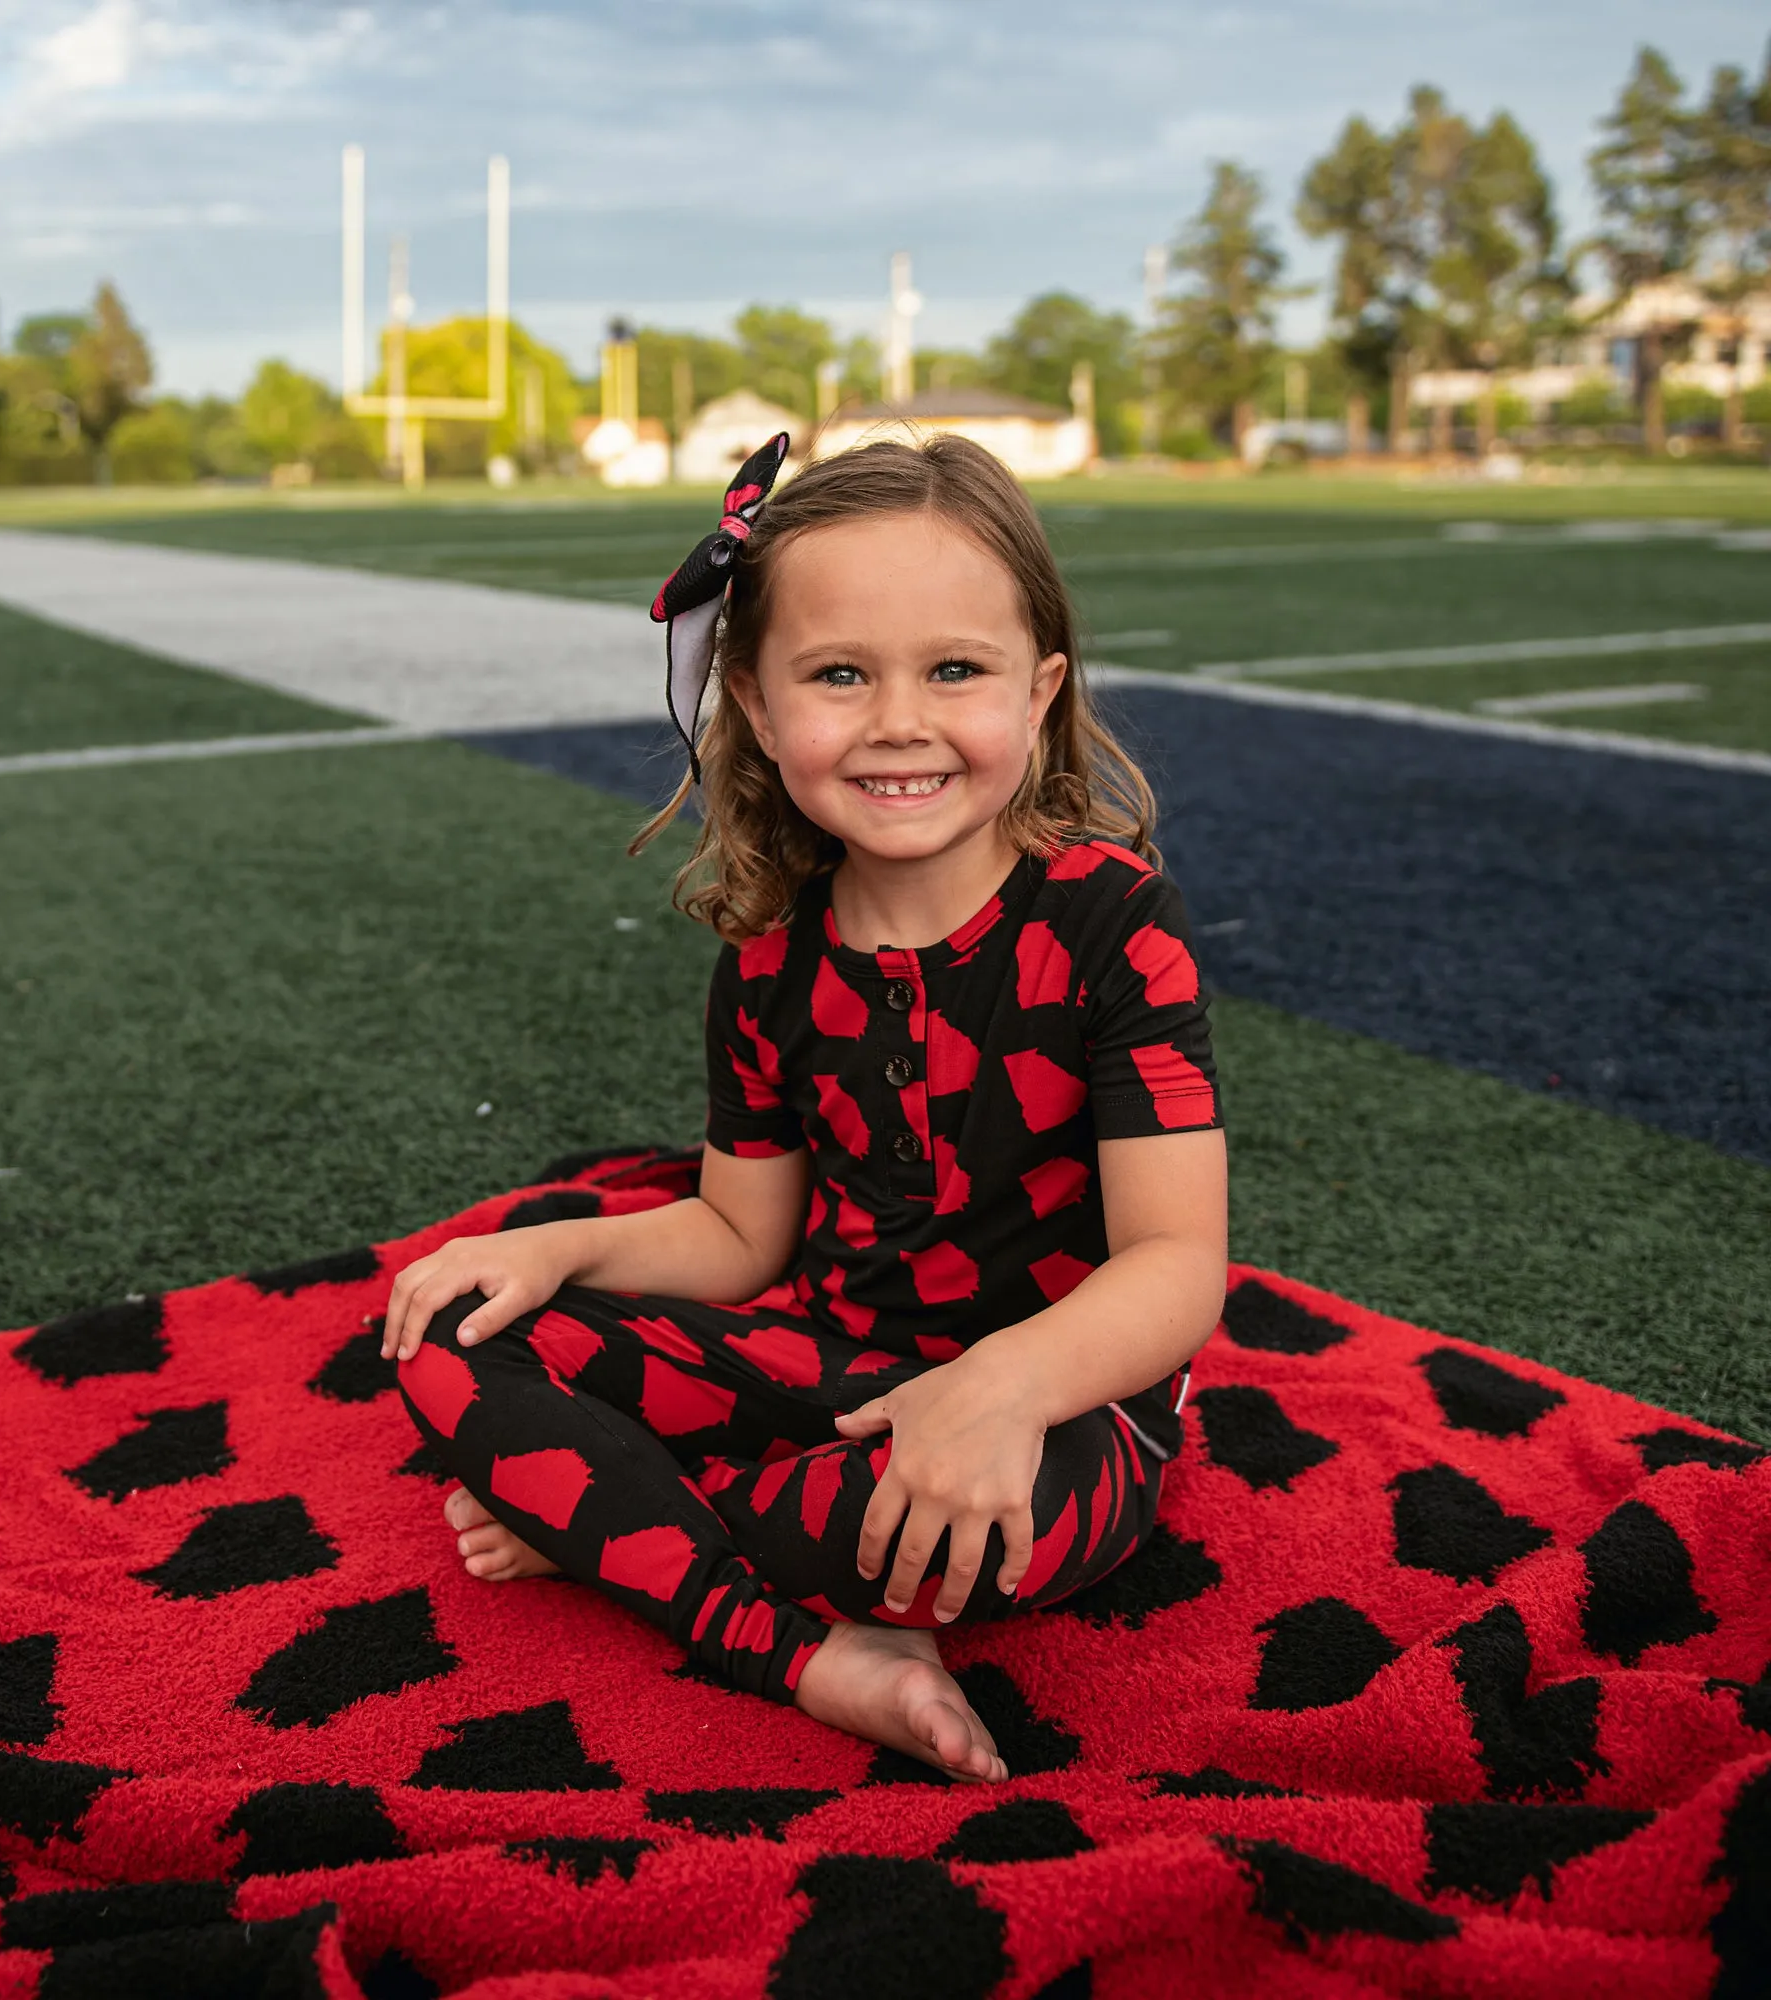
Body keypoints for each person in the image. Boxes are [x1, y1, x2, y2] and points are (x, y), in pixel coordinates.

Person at [384, 434, 1227, 1782]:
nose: (900, 719)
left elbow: (1177, 1267)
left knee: (977, 1533)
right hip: (827, 1380)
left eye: (955, 670)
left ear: (1041, 689)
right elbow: (739, 1236)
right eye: (841, 675)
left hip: (1061, 1414)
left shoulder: (1115, 921)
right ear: (762, 713)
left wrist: (1003, 1385)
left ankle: (617, 1522)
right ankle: (809, 1652)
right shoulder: (770, 957)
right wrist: (553, 1254)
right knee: (443, 1329)